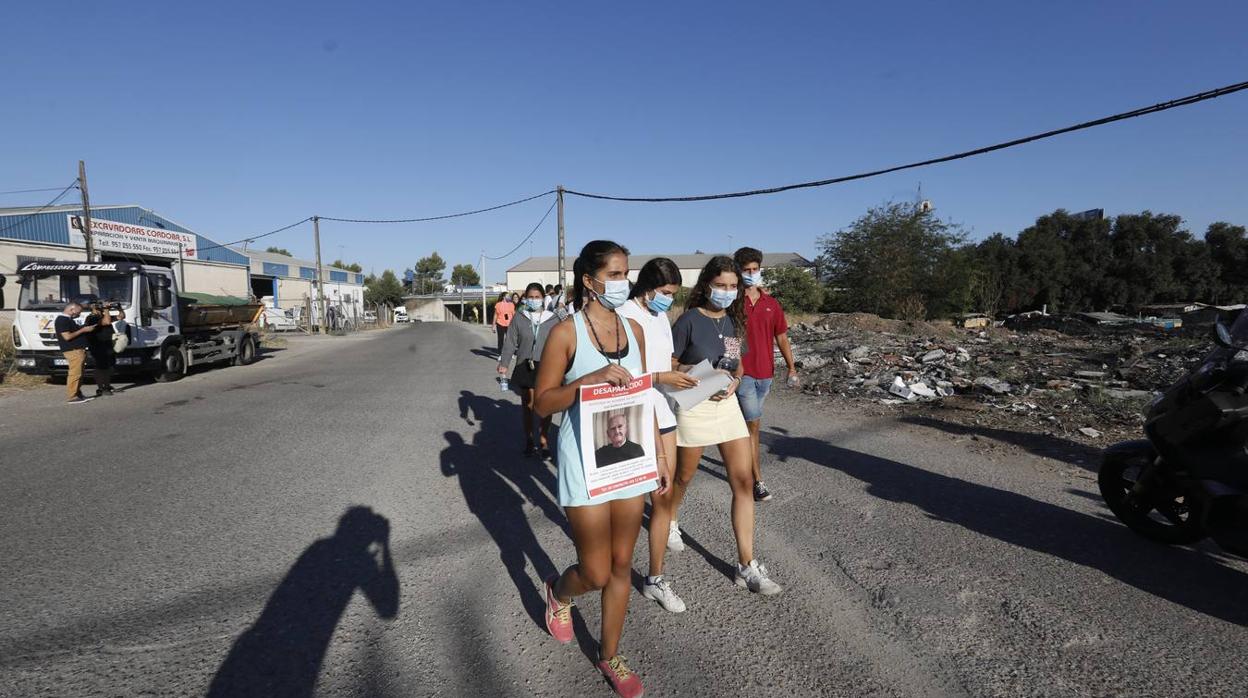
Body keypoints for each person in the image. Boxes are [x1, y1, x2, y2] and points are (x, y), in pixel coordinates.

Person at [534, 240, 672, 697]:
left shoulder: (634, 326)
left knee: (620, 565)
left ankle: (610, 654)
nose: (623, 282)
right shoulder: (565, 333)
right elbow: (542, 402)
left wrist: (658, 454)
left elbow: (644, 393)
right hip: (584, 463)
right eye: (614, 274)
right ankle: (561, 593)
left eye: (625, 273)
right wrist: (586, 381)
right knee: (594, 571)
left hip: (630, 461)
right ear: (589, 280)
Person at [668, 255, 783, 596]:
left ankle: (746, 564)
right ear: (706, 285)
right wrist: (699, 377)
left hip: (726, 406)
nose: (728, 291)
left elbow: (737, 365)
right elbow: (669, 365)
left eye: (733, 286)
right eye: (721, 285)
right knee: (684, 476)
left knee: (743, 481)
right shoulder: (688, 320)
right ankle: (670, 519)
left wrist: (733, 380)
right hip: (694, 406)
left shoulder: (733, 323)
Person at [616, 256, 700, 613]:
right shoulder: (623, 315)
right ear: (648, 288)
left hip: (663, 412)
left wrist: (694, 372)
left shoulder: (660, 316)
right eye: (665, 292)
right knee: (629, 506)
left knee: (663, 499)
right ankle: (611, 573)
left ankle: (655, 578)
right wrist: (661, 378)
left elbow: (666, 363)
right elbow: (620, 378)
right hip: (632, 418)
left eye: (673, 293)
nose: (668, 299)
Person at [733, 247, 798, 502]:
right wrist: (733, 367)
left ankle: (740, 462)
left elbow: (781, 337)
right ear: (738, 271)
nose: (751, 274)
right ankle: (756, 481)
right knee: (754, 425)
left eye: (755, 269)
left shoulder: (771, 303)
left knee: (748, 424)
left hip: (766, 375)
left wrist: (791, 367)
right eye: (746, 270)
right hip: (743, 375)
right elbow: (728, 336)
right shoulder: (733, 301)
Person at [497, 282, 558, 457]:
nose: (534, 300)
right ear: (525, 298)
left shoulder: (553, 318)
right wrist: (504, 363)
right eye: (530, 297)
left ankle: (544, 441)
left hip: (548, 366)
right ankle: (530, 439)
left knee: (546, 406)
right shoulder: (519, 317)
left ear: (543, 298)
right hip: (526, 365)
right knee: (528, 406)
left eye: (537, 297)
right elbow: (510, 342)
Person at [53, 302, 98, 404]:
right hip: (73, 350)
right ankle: (72, 396)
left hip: (78, 350)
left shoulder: (68, 320)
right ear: (72, 309)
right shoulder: (62, 320)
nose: (79, 314)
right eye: (78, 312)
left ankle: (78, 393)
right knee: (75, 374)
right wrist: (83, 330)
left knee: (80, 373)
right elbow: (67, 336)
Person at [84, 302, 126, 397]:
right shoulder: (91, 318)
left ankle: (107, 385)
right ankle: (101, 388)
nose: (101, 308)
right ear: (93, 308)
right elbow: (106, 322)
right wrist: (106, 309)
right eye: (98, 306)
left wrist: (119, 308)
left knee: (108, 367)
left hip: (107, 345)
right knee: (100, 368)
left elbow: (121, 317)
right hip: (98, 346)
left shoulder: (104, 315)